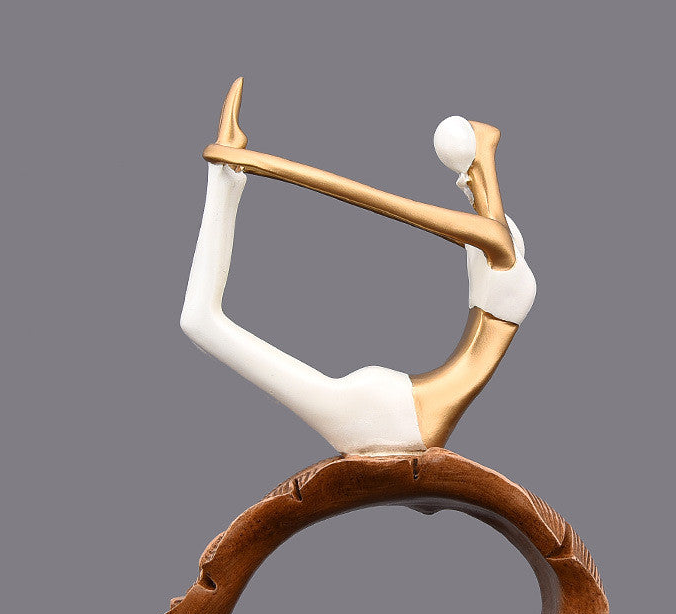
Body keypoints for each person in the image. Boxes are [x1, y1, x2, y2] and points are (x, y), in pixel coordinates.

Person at [181, 80, 535, 455]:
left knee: (200, 321)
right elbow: (480, 189)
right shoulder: (495, 241)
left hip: (403, 416)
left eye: (464, 172)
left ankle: (223, 180)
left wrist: (260, 164)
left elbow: (382, 202)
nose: (462, 180)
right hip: (405, 412)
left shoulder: (495, 240)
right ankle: (224, 181)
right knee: (200, 321)